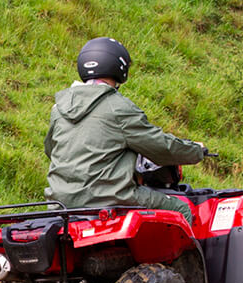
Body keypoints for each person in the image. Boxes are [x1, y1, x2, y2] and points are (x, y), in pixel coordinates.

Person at [44, 37, 207, 222]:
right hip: (109, 199)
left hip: (60, 203)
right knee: (180, 209)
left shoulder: (59, 108)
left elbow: (51, 150)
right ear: (119, 67)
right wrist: (196, 150)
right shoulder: (119, 108)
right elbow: (160, 147)